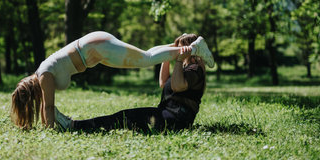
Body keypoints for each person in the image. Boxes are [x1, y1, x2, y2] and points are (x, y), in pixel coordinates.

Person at [11, 31, 214, 129]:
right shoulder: (43, 74)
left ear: (31, 93)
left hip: (93, 48)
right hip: (93, 48)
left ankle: (195, 48)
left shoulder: (44, 75)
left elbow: (48, 108)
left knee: (145, 59)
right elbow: (45, 107)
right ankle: (181, 48)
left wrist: (50, 131)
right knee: (146, 57)